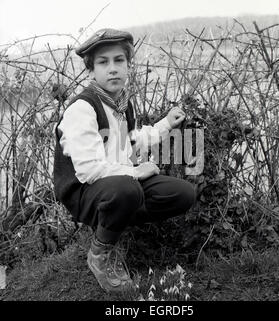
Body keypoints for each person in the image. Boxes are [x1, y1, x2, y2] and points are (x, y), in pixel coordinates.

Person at [53, 28, 196, 292]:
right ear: (91, 70)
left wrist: (166, 124)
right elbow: (89, 170)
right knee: (127, 189)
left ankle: (114, 227)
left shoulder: (120, 104)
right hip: (84, 192)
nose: (113, 68)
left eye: (119, 60)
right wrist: (136, 173)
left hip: (116, 183)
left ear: (128, 65)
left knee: (183, 193)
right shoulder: (82, 108)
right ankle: (100, 254)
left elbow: (131, 141)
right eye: (103, 62)